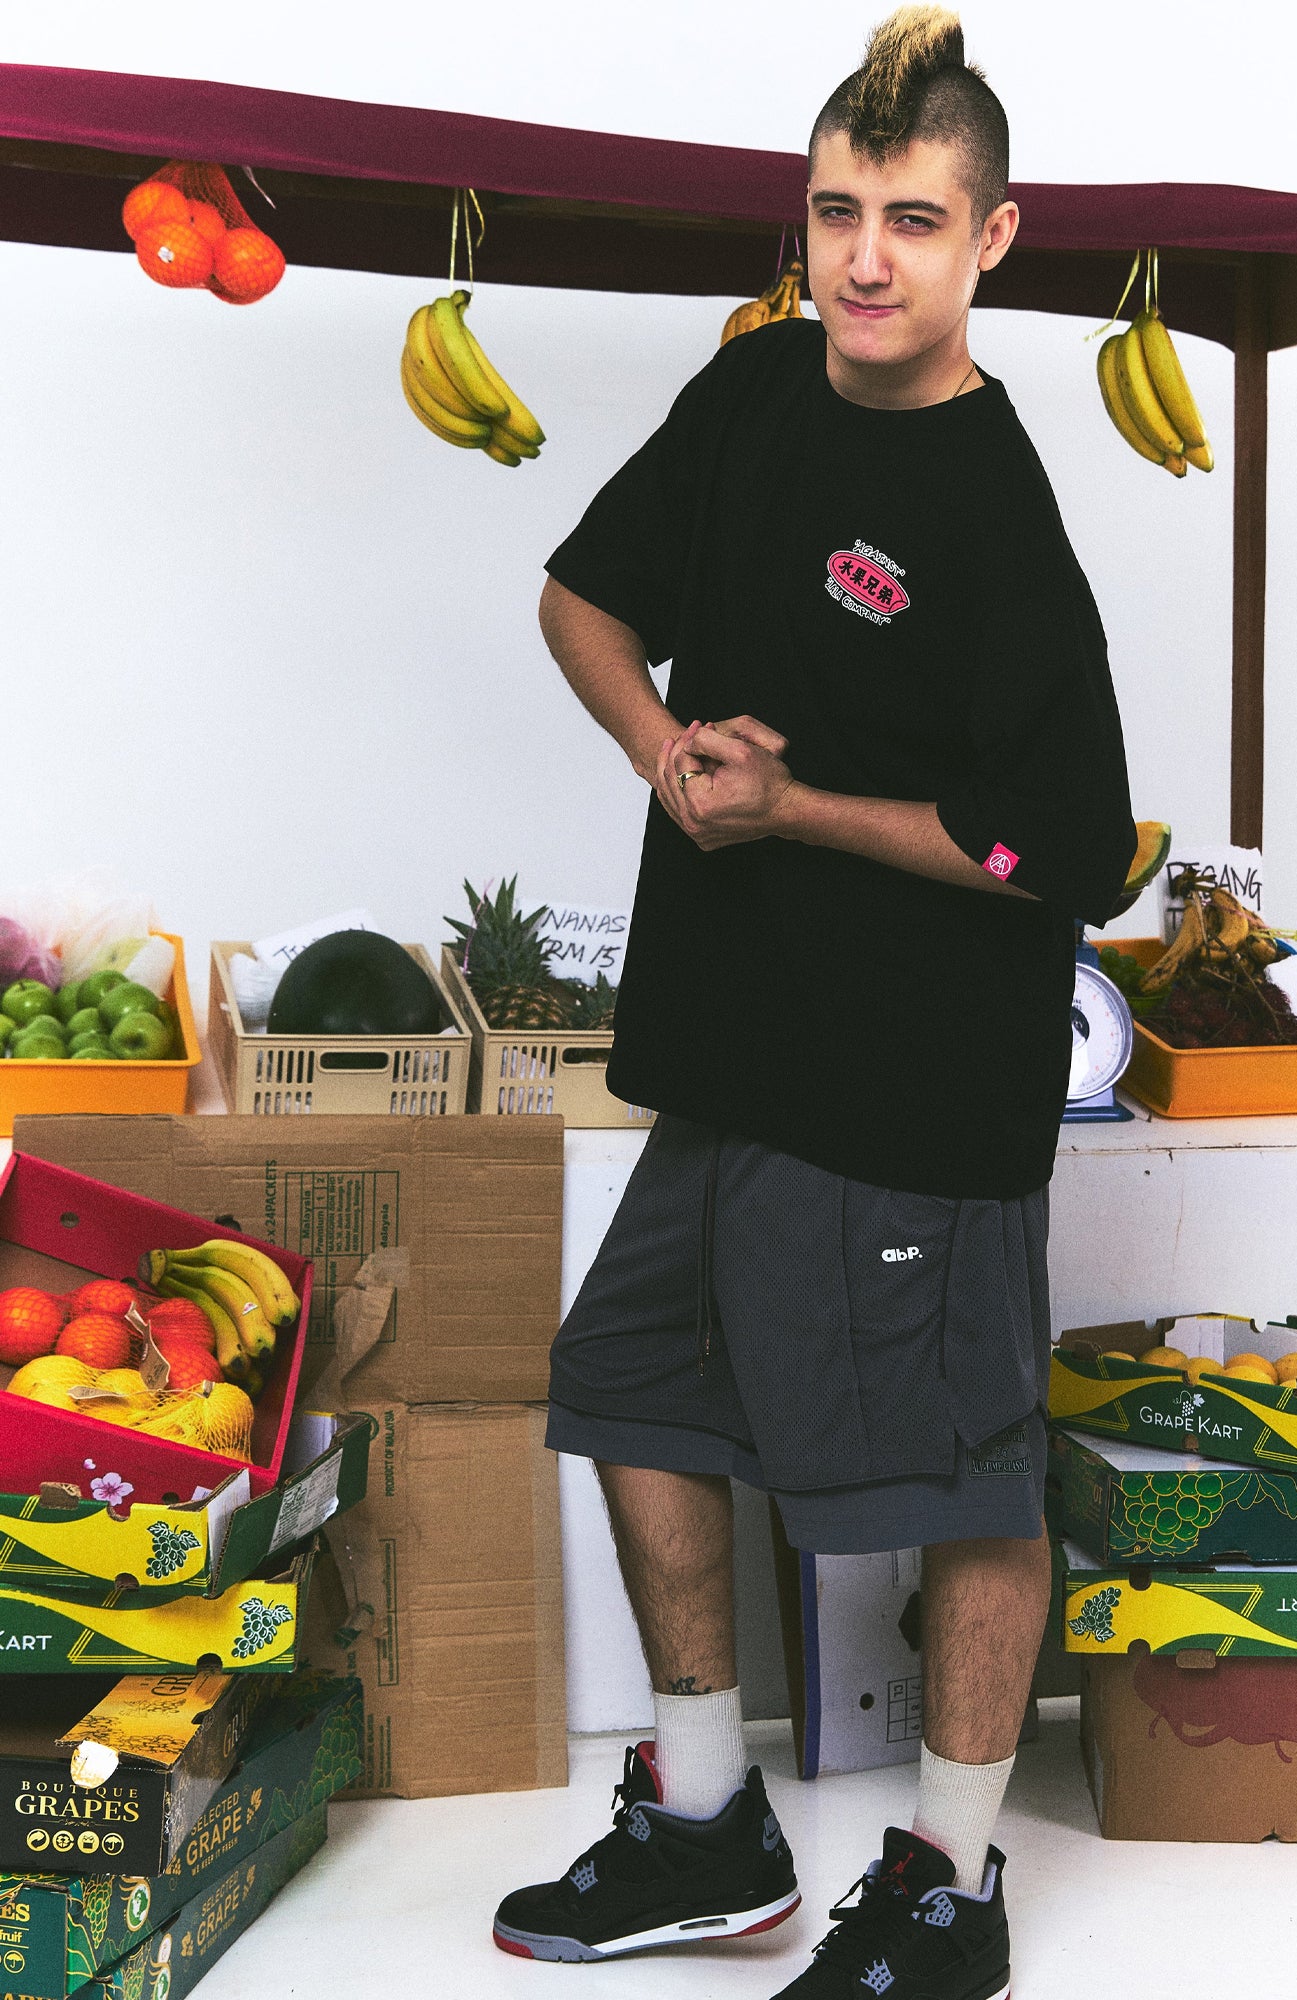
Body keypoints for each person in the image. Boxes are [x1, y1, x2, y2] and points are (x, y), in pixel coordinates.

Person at [493, 7, 1135, 1995]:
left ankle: (947, 1886)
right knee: (631, 1397)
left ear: (991, 243)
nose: (866, 256)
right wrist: (662, 748)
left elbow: (1065, 843)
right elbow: (580, 596)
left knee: (957, 1480)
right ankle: (703, 1826)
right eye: (837, 210)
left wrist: (801, 809)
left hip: (906, 1087)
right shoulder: (755, 397)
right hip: (725, 1054)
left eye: (914, 221)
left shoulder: (990, 507)